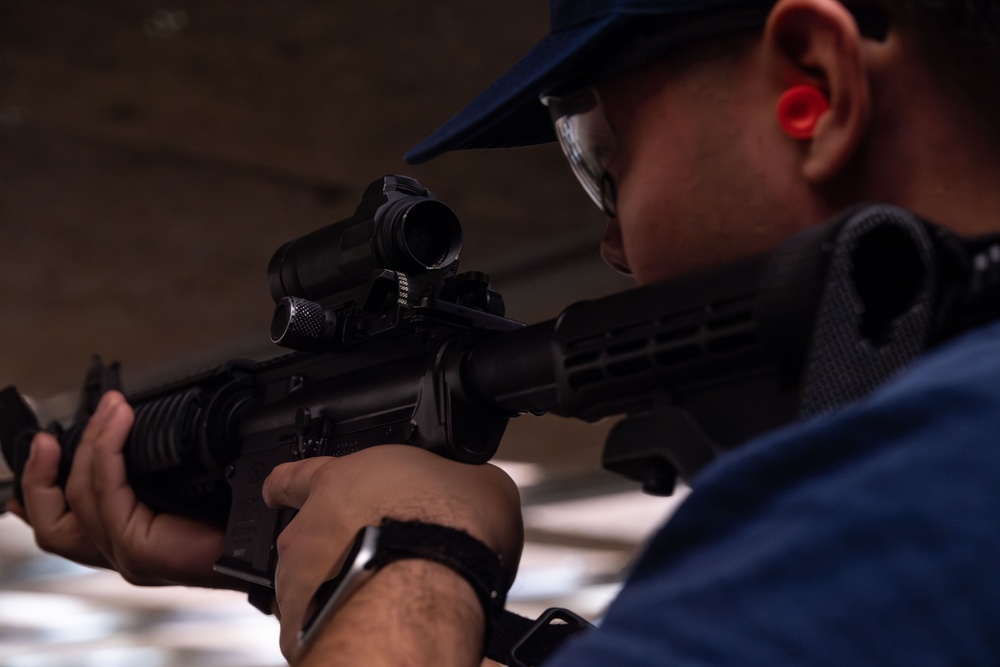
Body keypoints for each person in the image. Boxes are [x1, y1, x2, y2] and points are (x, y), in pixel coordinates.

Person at [9, 0, 1000, 664]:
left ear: (813, 89)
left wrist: (403, 558)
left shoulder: (924, 485)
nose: (611, 243)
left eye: (603, 158)